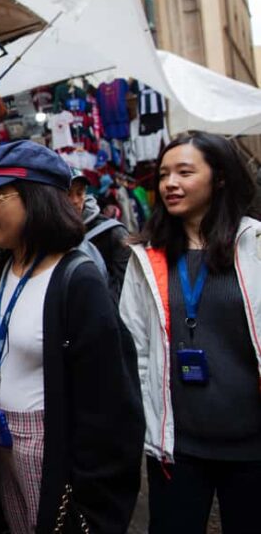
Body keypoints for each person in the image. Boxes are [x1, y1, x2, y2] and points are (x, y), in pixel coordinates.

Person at [0, 140, 143, 533]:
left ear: (38, 198)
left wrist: (93, 506)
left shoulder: (77, 280)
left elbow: (110, 406)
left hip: (53, 452)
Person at [118, 132, 261, 533]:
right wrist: (145, 427)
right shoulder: (146, 258)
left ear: (218, 178)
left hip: (252, 447)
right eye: (163, 174)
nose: (169, 183)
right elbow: (135, 349)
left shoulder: (255, 246)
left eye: (184, 172)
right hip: (176, 449)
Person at [69, 168, 131, 300]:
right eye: (68, 194)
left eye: (79, 193)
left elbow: (128, 291)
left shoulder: (113, 233)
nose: (75, 201)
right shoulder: (49, 233)